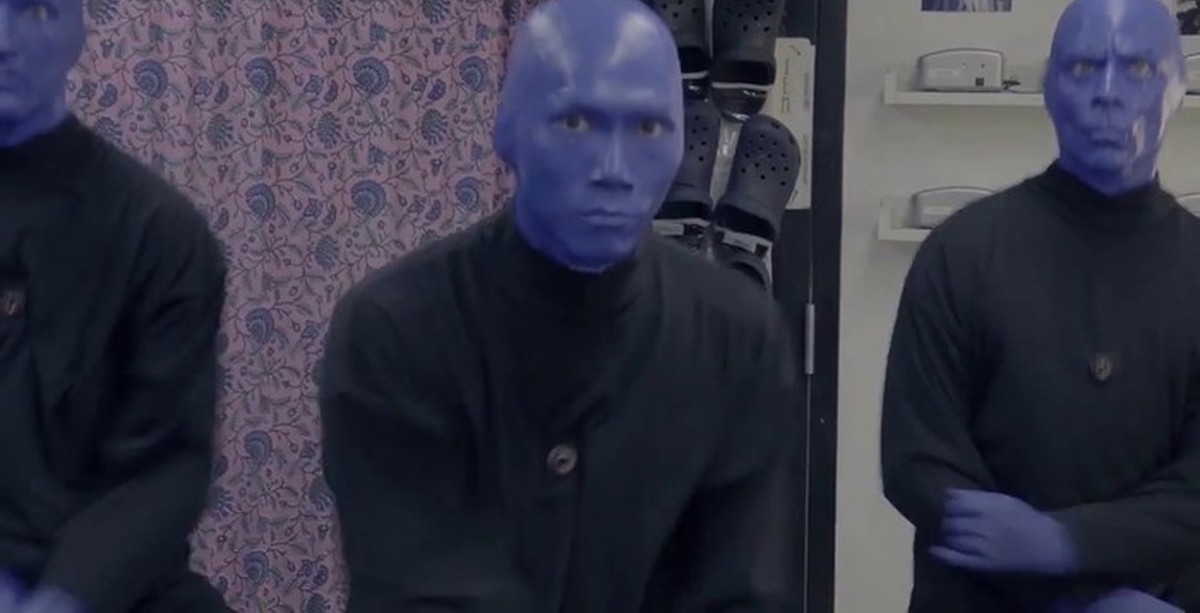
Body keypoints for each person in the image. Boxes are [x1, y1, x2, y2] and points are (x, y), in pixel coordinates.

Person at [318, 0, 803, 610]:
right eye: (576, 123)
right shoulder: (396, 328)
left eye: (648, 129)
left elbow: (739, 590)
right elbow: (417, 587)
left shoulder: (739, 337)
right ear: (508, 130)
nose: (613, 168)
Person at [881, 0, 1200, 611]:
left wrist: (1067, 544)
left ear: (1179, 87)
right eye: (1083, 68)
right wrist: (1081, 599)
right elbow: (918, 464)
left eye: (1138, 69)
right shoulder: (963, 253)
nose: (1107, 93)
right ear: (1049, 88)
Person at [0, 1, 229, 612]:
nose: (2, 41)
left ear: (80, 30)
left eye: (34, 11)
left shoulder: (158, 231)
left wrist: (65, 598)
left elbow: (167, 465)